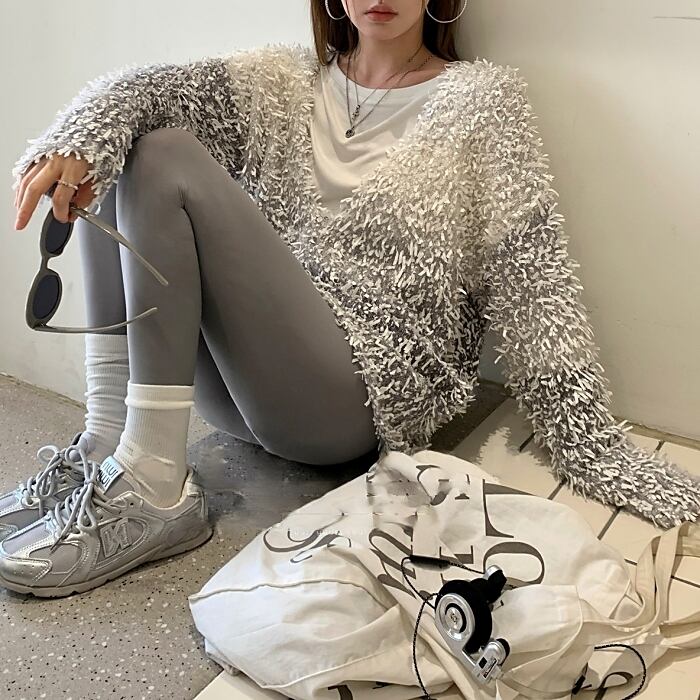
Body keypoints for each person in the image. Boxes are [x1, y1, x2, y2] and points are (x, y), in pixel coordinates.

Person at [3, 0, 699, 598]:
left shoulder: (482, 103)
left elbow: (536, 280)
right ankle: (105, 448)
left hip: (352, 398)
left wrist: (590, 439)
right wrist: (78, 137)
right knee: (117, 145)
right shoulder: (280, 81)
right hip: (243, 387)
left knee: (162, 154)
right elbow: (142, 89)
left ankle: (158, 488)